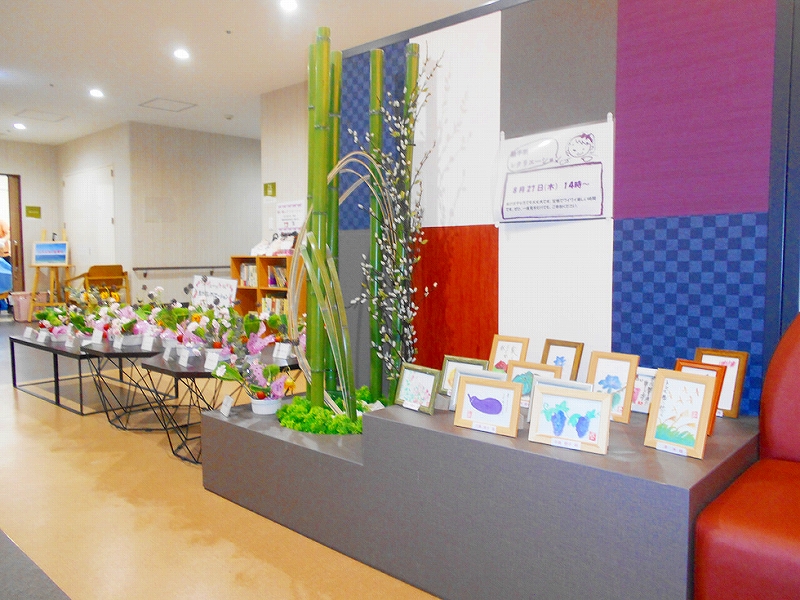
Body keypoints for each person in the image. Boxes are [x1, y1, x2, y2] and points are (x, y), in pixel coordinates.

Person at [0, 219, 11, 312]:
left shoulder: (1, 222)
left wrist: (3, 240)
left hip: (4, 255)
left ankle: (9, 303)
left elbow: (9, 233)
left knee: (7, 278)